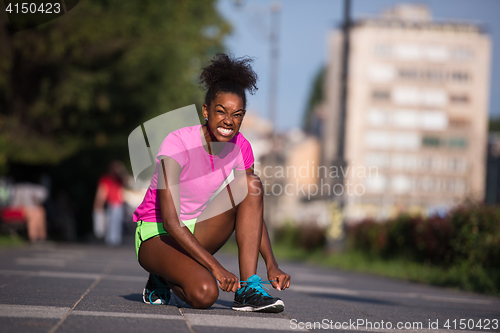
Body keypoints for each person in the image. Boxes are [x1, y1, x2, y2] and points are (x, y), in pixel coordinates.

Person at [133, 53, 291, 312]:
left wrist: (271, 262)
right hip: (157, 233)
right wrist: (215, 267)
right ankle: (161, 274)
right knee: (206, 294)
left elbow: (252, 209)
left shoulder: (242, 148)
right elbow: (172, 222)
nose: (229, 120)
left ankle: (248, 289)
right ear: (206, 111)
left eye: (237, 114)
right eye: (221, 111)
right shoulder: (178, 143)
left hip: (196, 228)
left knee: (251, 185)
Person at [94, 161, 126, 246]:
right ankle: (110, 239)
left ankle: (115, 239)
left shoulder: (119, 179)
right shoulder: (106, 179)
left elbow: (127, 182)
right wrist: (99, 203)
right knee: (110, 222)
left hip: (119, 204)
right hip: (110, 203)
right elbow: (102, 191)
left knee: (116, 222)